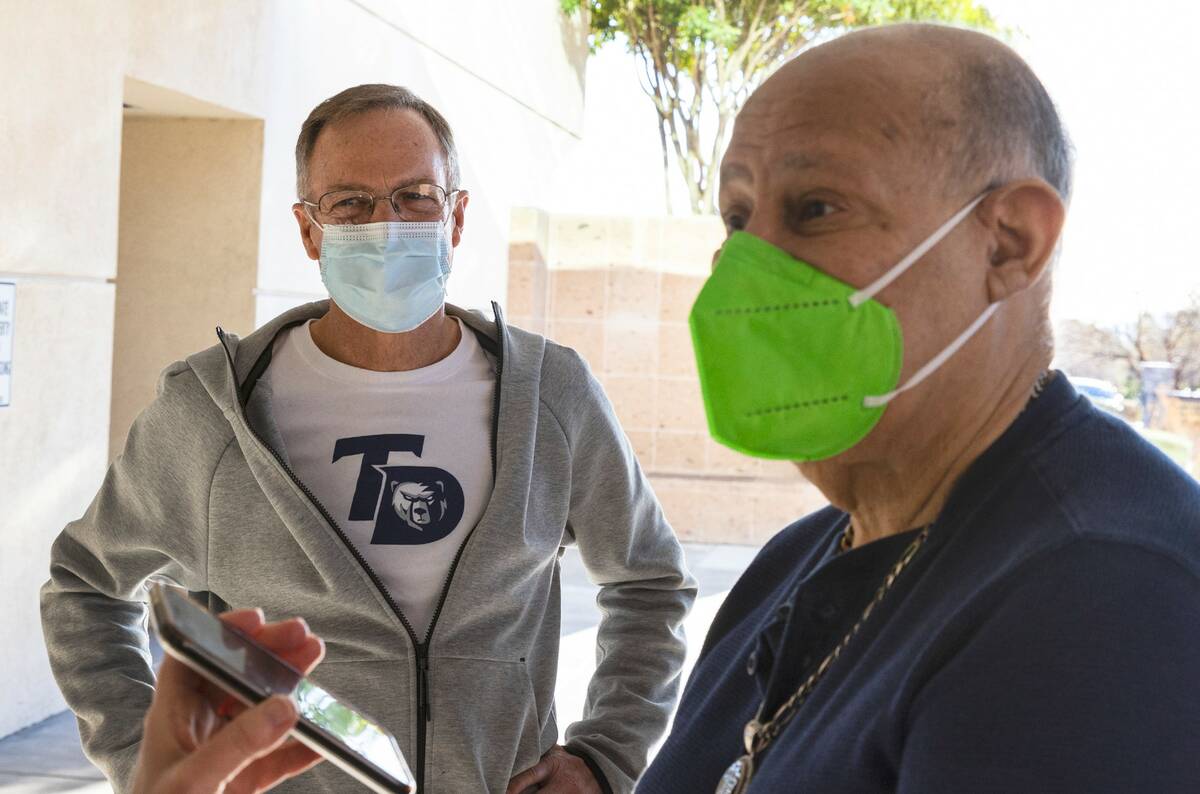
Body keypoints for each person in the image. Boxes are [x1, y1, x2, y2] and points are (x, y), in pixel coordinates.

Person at [41, 84, 696, 794]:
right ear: (307, 230)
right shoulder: (210, 413)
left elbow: (649, 582)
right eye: (350, 203)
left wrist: (604, 756)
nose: (387, 226)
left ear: (456, 217)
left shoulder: (550, 396)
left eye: (416, 196)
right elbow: (85, 585)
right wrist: (153, 769)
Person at [637, 23, 1200, 792]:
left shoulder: (1104, 595)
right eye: (737, 218)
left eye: (816, 208)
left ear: (1008, 244)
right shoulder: (798, 559)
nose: (741, 269)